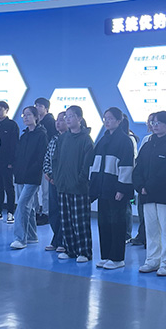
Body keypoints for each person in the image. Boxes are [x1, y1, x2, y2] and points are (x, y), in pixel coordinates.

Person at [90, 107, 135, 269]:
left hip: (115, 188)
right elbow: (95, 164)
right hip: (103, 188)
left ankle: (117, 258)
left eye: (110, 118)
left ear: (118, 120)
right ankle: (106, 255)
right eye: (105, 118)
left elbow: (127, 166)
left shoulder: (124, 141)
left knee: (117, 223)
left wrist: (122, 188)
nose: (107, 121)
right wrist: (93, 187)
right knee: (104, 223)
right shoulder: (103, 140)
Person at [133, 111, 166, 276]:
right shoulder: (147, 145)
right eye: (153, 123)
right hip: (147, 195)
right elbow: (138, 168)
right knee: (151, 230)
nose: (155, 126)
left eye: (159, 123)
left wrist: (149, 186)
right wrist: (140, 186)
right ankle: (152, 260)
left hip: (164, 196)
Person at [52, 105, 95, 263]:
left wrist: (80, 180)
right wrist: (57, 178)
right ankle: (70, 249)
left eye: (71, 116)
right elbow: (55, 159)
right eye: (66, 116)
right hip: (63, 186)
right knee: (66, 220)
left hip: (79, 188)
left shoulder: (86, 140)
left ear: (80, 119)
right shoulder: (63, 138)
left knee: (80, 222)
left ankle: (84, 251)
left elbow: (87, 164)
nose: (67, 119)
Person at [10, 106, 48, 250]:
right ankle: (32, 236)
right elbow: (18, 156)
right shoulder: (24, 135)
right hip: (20, 176)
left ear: (36, 117)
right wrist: (16, 169)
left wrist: (32, 171)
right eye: (24, 115)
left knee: (22, 205)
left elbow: (41, 157)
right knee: (29, 207)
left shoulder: (41, 135)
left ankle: (20, 238)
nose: (25, 117)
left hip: (32, 177)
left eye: (28, 115)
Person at [130, 113, 156, 247]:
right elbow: (139, 162)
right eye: (150, 121)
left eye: (154, 122)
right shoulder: (146, 140)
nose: (151, 125)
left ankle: (149, 239)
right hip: (142, 184)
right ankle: (142, 236)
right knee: (142, 212)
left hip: (154, 185)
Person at [43, 111, 67, 252]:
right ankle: (56, 239)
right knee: (54, 211)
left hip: (64, 181)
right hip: (52, 181)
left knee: (65, 212)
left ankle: (63, 241)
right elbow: (47, 157)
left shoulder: (70, 139)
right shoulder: (54, 139)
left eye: (62, 120)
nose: (58, 123)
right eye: (57, 120)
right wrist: (48, 173)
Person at [0, 101, 19, 223]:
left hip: (7, 162)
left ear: (6, 110)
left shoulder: (12, 125)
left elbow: (14, 145)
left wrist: (12, 161)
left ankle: (10, 212)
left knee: (9, 187)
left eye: (1, 109)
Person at [35, 97, 57, 226]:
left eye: (40, 106)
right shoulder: (36, 122)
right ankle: (38, 211)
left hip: (47, 160)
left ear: (46, 108)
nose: (37, 108)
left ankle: (46, 213)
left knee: (46, 190)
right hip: (37, 160)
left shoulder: (50, 122)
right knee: (36, 189)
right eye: (36, 105)